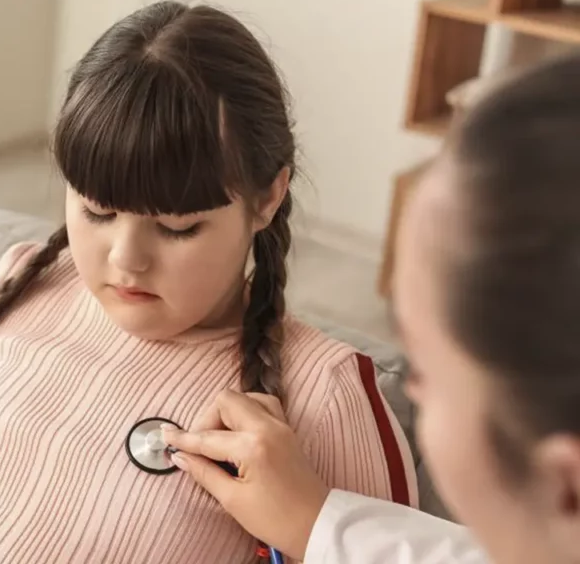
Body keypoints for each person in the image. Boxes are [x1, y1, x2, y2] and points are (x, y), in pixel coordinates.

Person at [0, 1, 417, 563]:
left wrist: (302, 523)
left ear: (267, 197)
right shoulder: (22, 281)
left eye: (177, 228)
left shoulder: (323, 394)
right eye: (96, 210)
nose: (125, 259)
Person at [162, 52, 580, 564]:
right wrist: (315, 523)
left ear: (568, 489)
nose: (406, 379)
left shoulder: (331, 390)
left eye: (427, 370)